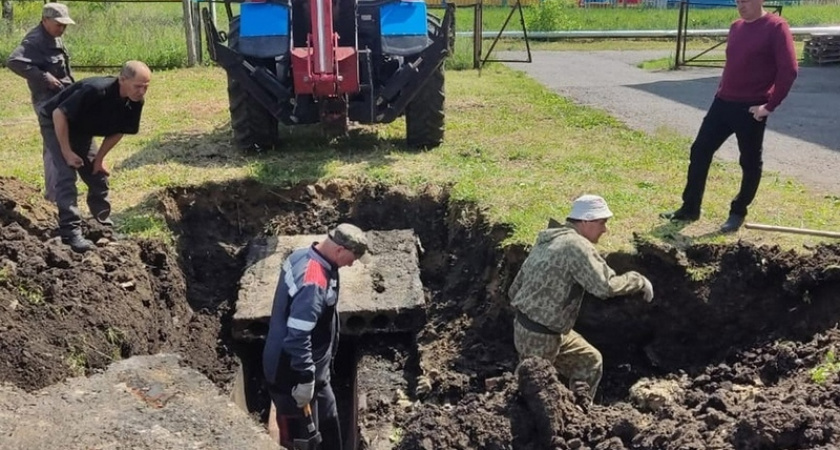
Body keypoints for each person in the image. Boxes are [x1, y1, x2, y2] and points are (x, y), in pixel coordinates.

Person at [661, 0, 798, 233]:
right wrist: (722, 89)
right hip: (723, 103)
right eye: (737, 1)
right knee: (700, 150)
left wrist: (769, 106)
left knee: (749, 162)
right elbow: (733, 65)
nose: (740, 6)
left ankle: (737, 212)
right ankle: (690, 208)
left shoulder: (776, 27)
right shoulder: (736, 27)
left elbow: (789, 70)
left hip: (751, 108)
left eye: (745, 1)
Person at [508, 195, 654, 411]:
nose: (605, 230)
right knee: (534, 394)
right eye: (602, 222)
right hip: (540, 336)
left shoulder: (550, 236)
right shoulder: (576, 246)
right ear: (586, 221)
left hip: (534, 327)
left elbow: (515, 287)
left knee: (589, 360)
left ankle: (578, 411)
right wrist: (637, 281)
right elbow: (604, 286)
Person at [263, 223, 370, 450]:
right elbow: (297, 337)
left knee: (329, 422)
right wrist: (304, 379)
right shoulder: (314, 280)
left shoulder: (303, 255)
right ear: (339, 250)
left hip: (316, 375)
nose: (351, 264)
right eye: (351, 258)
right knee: (303, 440)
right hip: (292, 376)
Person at [38, 60, 152, 253]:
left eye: (146, 87)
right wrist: (66, 151)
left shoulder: (135, 102)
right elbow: (59, 114)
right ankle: (70, 231)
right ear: (122, 80)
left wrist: (99, 159)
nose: (141, 91)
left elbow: (119, 131)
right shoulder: (96, 90)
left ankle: (103, 226)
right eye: (138, 86)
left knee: (97, 174)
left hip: (83, 129)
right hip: (55, 122)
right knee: (67, 173)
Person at [6, 3, 78, 202]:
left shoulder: (54, 37)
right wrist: (44, 77)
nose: (62, 28)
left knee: (62, 141)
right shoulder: (35, 40)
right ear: (45, 20)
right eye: (58, 24)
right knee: (54, 144)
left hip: (61, 96)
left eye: (65, 25)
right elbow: (14, 61)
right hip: (47, 101)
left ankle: (60, 190)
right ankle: (55, 196)